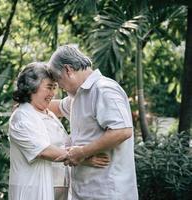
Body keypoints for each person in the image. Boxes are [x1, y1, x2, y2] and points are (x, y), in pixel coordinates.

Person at [47, 45, 138, 200]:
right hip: (85, 191)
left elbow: (122, 131)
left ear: (68, 70)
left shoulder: (104, 90)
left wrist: (82, 153)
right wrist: (26, 104)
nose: (59, 87)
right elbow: (56, 107)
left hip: (108, 192)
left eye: (58, 80)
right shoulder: (77, 96)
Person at [8, 62, 110, 200]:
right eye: (49, 87)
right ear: (31, 87)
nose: (52, 93)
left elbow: (62, 144)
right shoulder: (22, 117)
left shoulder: (48, 113)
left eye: (54, 87)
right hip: (32, 191)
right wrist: (83, 158)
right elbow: (44, 151)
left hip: (58, 190)